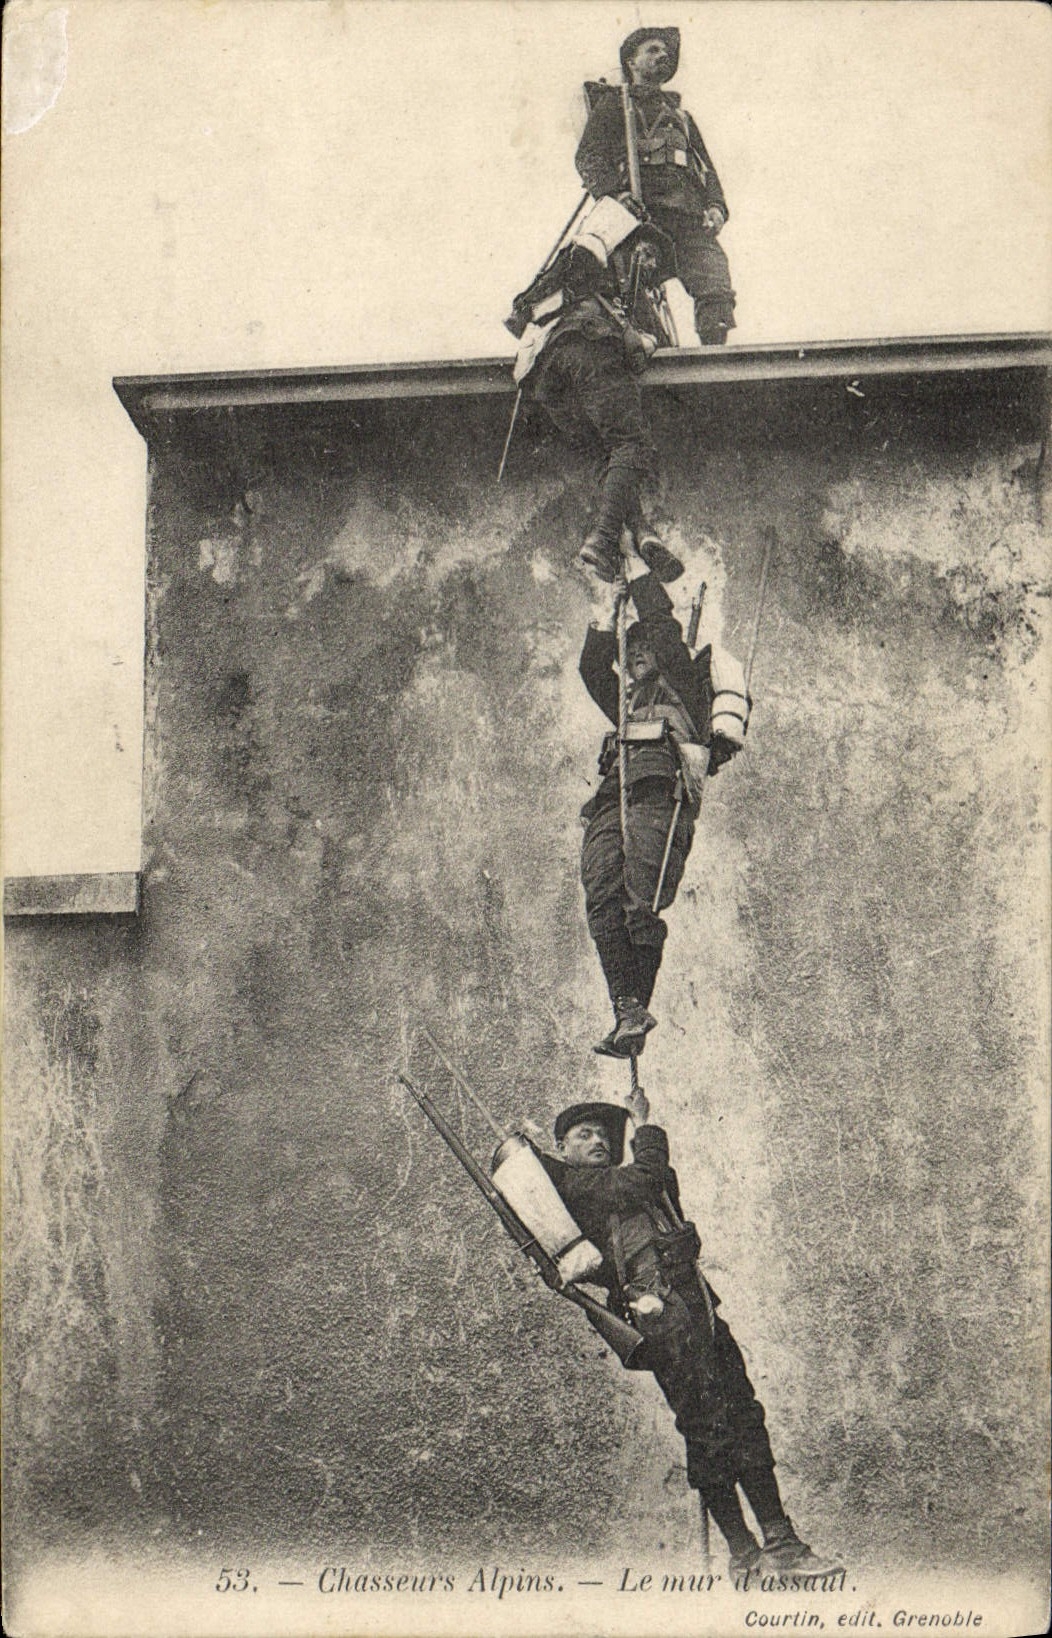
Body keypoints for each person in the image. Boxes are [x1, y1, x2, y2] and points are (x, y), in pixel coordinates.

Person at [540, 1090, 843, 1582]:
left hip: (697, 1308)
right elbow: (644, 1177)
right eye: (584, 1134)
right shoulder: (578, 1186)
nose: (597, 1140)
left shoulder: (627, 1186)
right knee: (708, 1429)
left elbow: (661, 1193)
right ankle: (749, 1552)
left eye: (603, 1134)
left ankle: (774, 1543)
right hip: (665, 1325)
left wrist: (651, 1164)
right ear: (562, 1146)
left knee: (742, 1414)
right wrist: (644, 1126)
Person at [579, 554, 746, 1057]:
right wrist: (608, 613)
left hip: (660, 798)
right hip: (613, 802)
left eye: (643, 649)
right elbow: (592, 666)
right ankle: (624, 1009)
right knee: (601, 896)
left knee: (640, 901)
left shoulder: (686, 689)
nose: (635, 658)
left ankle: (636, 1008)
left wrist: (633, 569)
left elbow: (661, 627)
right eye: (629, 654)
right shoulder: (626, 705)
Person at [507, 196, 683, 584]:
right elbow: (656, 343)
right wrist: (648, 340)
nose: (652, 265)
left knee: (610, 456)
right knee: (632, 444)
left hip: (546, 376)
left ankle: (642, 532)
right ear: (634, 240)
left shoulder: (568, 268)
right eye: (650, 253)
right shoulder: (621, 266)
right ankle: (602, 539)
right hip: (587, 349)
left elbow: (521, 314)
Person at [575, 26, 736, 346]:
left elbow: (707, 170)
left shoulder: (683, 117)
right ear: (631, 62)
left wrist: (716, 206)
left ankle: (715, 356)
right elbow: (589, 157)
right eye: (652, 50)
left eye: (665, 51)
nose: (663, 55)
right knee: (628, 288)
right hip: (640, 216)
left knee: (714, 280)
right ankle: (650, 350)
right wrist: (617, 196)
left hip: (688, 215)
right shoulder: (614, 106)